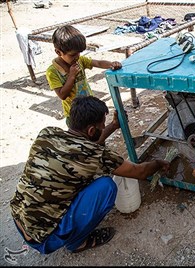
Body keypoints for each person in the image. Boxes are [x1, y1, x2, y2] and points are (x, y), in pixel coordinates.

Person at [10, 96, 170, 254]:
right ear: (92, 130)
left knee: (82, 177)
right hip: (44, 239)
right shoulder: (95, 156)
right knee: (106, 186)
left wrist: (114, 126)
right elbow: (140, 172)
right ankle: (77, 242)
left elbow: (84, 145)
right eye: (102, 125)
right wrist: (158, 163)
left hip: (19, 217)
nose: (104, 127)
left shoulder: (48, 133)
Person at [45, 24, 122, 132]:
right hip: (75, 115)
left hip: (89, 108)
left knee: (96, 133)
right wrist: (71, 76)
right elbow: (62, 95)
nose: (77, 57)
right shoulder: (52, 72)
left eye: (79, 53)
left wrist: (112, 64)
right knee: (83, 138)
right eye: (73, 55)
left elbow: (98, 62)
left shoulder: (79, 60)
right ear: (58, 52)